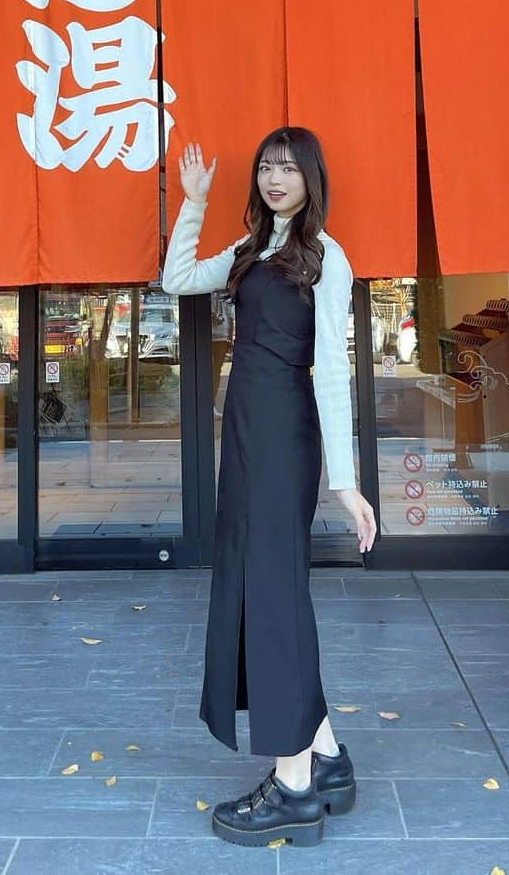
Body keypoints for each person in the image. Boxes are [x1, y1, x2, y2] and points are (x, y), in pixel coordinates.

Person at [161, 127, 377, 847]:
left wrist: (345, 484)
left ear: (312, 176)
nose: (274, 177)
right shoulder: (253, 247)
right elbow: (176, 279)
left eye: (288, 167)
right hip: (248, 430)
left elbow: (335, 373)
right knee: (266, 584)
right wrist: (192, 202)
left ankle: (293, 786)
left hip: (283, 434)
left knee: (274, 593)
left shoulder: (326, 258)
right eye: (265, 166)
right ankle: (328, 756)